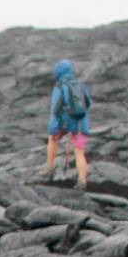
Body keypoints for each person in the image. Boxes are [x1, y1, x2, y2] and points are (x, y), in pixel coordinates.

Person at [42, 59, 92, 189]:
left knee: (52, 139)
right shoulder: (80, 84)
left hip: (65, 123)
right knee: (79, 151)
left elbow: (55, 109)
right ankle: (82, 180)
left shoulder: (60, 85)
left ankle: (49, 168)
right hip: (81, 123)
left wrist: (53, 128)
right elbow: (88, 103)